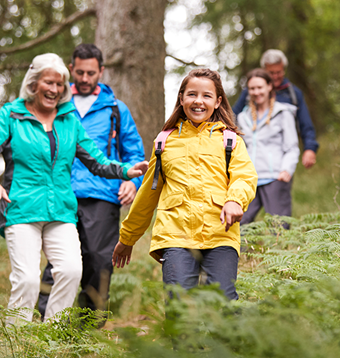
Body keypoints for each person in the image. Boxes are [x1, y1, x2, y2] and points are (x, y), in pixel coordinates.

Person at [0, 53, 148, 323]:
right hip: (22, 209)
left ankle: (51, 337)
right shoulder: (11, 115)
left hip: (62, 212)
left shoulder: (69, 121)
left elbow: (97, 161)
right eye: (48, 83)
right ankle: (17, 342)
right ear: (33, 83)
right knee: (28, 280)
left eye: (59, 85)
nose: (54, 90)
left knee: (70, 271)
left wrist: (126, 171)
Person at [112, 69, 257, 300]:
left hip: (220, 234)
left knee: (223, 301)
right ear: (181, 98)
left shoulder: (230, 141)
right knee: (179, 303)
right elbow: (148, 194)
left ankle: (227, 337)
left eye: (207, 96)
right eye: (192, 94)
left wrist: (234, 200)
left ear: (218, 101)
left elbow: (244, 176)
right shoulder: (164, 142)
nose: (198, 101)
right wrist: (127, 238)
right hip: (175, 236)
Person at [36, 44, 146, 323]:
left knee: (98, 261)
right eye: (80, 72)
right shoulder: (55, 104)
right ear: (71, 69)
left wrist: (134, 183)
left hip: (103, 195)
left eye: (91, 73)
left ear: (101, 72)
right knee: (59, 262)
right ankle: (45, 324)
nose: (85, 78)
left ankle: (90, 329)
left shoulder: (116, 110)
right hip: (61, 194)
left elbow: (135, 155)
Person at [232, 49, 319, 169]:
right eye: (271, 73)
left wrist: (310, 148)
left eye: (279, 72)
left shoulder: (293, 93)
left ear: (284, 69)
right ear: (264, 70)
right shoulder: (251, 92)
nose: (275, 76)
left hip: (283, 156)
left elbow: (305, 123)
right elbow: (233, 116)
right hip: (255, 157)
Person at [237, 69, 300, 226]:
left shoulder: (283, 113)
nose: (256, 92)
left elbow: (292, 146)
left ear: (269, 87)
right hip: (249, 179)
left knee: (279, 226)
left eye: (260, 87)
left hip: (275, 177)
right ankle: (241, 252)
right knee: (239, 223)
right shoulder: (242, 117)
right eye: (252, 88)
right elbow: (240, 149)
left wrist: (287, 169)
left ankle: (282, 251)